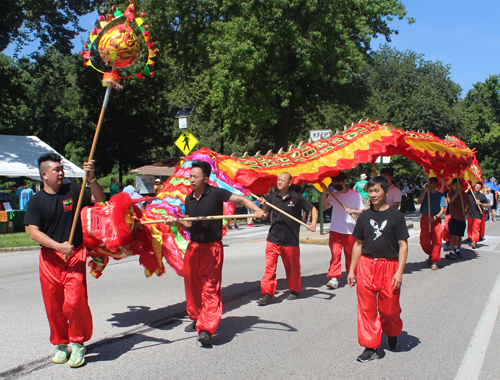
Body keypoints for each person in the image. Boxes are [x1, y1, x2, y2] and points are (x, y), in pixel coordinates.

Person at [164, 161, 264, 346]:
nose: (191, 179)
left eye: (195, 176)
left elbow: (241, 199)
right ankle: (197, 318)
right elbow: (189, 224)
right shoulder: (189, 199)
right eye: (190, 176)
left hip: (212, 248)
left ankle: (207, 329)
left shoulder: (216, 193)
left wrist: (257, 209)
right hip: (194, 247)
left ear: (206, 179)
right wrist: (176, 221)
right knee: (192, 285)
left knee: (210, 288)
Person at [24, 153, 105, 367]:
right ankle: (61, 344)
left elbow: (99, 199)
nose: (61, 173)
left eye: (62, 169)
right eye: (56, 170)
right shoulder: (36, 201)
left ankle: (78, 343)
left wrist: (92, 177)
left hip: (75, 255)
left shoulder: (74, 191)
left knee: (75, 301)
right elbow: (32, 232)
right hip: (50, 258)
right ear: (44, 175)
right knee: (54, 305)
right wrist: (58, 246)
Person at [347, 175, 408, 362]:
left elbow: (403, 245)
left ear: (386, 191)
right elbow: (358, 244)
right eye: (370, 191)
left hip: (389, 266)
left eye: (377, 190)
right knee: (366, 307)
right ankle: (370, 346)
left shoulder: (396, 216)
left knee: (389, 308)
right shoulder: (364, 216)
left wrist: (399, 272)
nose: (373, 194)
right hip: (366, 265)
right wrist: (352, 270)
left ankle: (391, 331)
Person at [256, 173, 318, 305]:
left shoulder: (297, 198)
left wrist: (313, 223)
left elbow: (313, 209)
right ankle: (267, 294)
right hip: (273, 239)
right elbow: (265, 216)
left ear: (289, 183)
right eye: (278, 180)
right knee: (269, 268)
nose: (279, 182)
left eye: (282, 180)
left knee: (292, 268)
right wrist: (264, 206)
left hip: (290, 240)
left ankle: (295, 290)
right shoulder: (272, 197)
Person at [321, 172, 364, 289]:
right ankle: (334, 278)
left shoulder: (355, 195)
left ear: (345, 181)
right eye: (334, 182)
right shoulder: (333, 194)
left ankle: (352, 274)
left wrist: (352, 211)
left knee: (351, 255)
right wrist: (324, 192)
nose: (336, 184)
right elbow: (325, 207)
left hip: (350, 231)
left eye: (338, 182)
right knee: (335, 254)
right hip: (335, 230)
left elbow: (362, 211)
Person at [417, 177, 446, 270]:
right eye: (429, 182)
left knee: (437, 241)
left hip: (435, 219)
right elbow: (419, 201)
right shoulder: (425, 192)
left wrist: (435, 217)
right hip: (425, 218)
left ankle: (435, 261)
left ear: (436, 184)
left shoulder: (440, 196)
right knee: (423, 241)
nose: (430, 184)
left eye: (432, 182)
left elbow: (443, 210)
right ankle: (431, 253)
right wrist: (425, 190)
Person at [445, 178, 471, 260]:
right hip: (452, 217)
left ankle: (458, 250)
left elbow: (469, 205)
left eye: (458, 185)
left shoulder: (464, 194)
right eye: (456, 185)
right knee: (452, 236)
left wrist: (466, 212)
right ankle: (452, 251)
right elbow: (450, 202)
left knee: (459, 236)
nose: (457, 186)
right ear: (453, 185)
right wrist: (457, 194)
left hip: (461, 218)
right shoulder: (450, 193)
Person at [467, 182, 489, 249]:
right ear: (474, 186)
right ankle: (471, 239)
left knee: (476, 229)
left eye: (479, 187)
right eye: (476, 186)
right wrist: (468, 189)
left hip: (478, 215)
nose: (477, 187)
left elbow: (487, 205)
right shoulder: (470, 194)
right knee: (470, 228)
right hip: (470, 214)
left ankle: (474, 241)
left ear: (481, 188)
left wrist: (481, 204)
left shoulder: (482, 196)